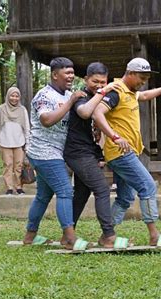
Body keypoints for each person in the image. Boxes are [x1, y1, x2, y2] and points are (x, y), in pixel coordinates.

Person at [92, 57, 161, 246]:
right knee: (148, 187)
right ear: (130, 73)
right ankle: (154, 235)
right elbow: (97, 113)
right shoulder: (116, 91)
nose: (143, 82)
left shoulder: (132, 92)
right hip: (120, 152)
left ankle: (106, 235)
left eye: (146, 79)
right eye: (141, 78)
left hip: (129, 152)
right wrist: (114, 136)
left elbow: (145, 95)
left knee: (126, 197)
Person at [23, 57, 88, 249]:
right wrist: (70, 102)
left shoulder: (68, 94)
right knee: (65, 191)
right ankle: (69, 238)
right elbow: (46, 120)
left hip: (55, 152)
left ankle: (30, 236)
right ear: (54, 74)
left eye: (72, 72)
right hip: (43, 152)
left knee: (43, 196)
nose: (71, 76)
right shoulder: (44, 96)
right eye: (66, 73)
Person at [64, 62, 125, 248]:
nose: (99, 85)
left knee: (82, 194)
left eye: (103, 82)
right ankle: (108, 235)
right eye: (95, 81)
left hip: (88, 151)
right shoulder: (81, 96)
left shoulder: (97, 95)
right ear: (86, 79)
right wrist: (101, 92)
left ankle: (67, 237)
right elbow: (84, 113)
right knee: (102, 189)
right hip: (77, 153)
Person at [0, 87, 30, 195]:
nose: (14, 98)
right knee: (8, 165)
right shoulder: (1, 109)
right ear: (8, 96)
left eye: (16, 96)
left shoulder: (22, 110)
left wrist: (28, 143)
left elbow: (27, 127)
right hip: (5, 141)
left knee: (19, 166)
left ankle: (19, 187)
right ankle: (9, 188)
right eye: (12, 95)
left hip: (19, 142)